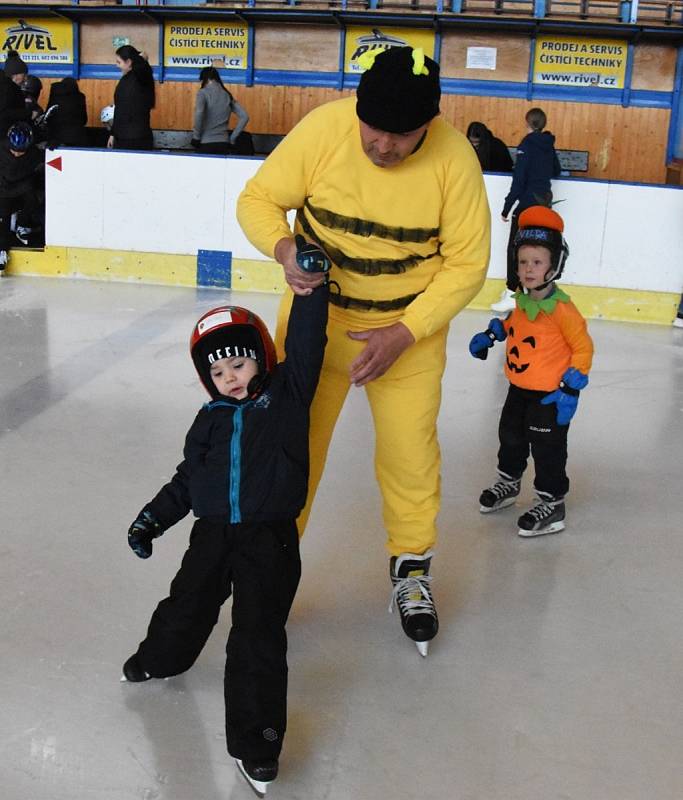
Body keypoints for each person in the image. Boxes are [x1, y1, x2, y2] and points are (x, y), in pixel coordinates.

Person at [237, 46, 491, 657]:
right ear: (358, 107)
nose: (384, 145)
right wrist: (282, 250)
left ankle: (410, 573)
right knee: (288, 455)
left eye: (402, 135)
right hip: (312, 328)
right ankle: (271, 573)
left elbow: (468, 265)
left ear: (430, 122)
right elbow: (258, 199)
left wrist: (404, 332)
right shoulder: (325, 129)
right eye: (374, 127)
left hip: (408, 337)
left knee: (410, 457)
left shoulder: (455, 161)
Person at [121, 251, 330, 797]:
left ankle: (257, 744)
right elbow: (187, 482)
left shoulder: (287, 396)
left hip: (270, 540)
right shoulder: (207, 423)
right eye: (216, 371)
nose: (229, 377)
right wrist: (150, 521)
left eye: (238, 364)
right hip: (211, 536)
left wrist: (311, 288)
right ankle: (158, 658)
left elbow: (308, 343)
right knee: (186, 602)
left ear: (262, 358)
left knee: (257, 636)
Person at [469, 206, 593, 536]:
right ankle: (508, 483)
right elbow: (515, 325)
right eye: (523, 262)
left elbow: (583, 348)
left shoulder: (563, 310)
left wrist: (570, 388)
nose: (528, 270)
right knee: (510, 438)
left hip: (550, 395)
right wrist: (492, 334)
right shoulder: (523, 301)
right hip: (519, 388)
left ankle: (552, 503)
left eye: (536, 263)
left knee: (547, 449)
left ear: (555, 265)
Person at [493, 107, 561, 314]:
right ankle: (531, 293)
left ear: (527, 122)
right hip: (543, 204)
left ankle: (512, 292)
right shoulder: (549, 146)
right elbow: (556, 170)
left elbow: (518, 181)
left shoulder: (526, 146)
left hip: (526, 207)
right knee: (536, 250)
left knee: (515, 248)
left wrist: (506, 207)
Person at [0, 121, 45, 274]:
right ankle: (2, 251)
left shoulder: (33, 153)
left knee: (33, 197)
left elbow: (43, 153)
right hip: (3, 189)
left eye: (21, 152)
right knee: (4, 217)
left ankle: (21, 223)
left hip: (23, 187)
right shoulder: (2, 150)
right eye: (14, 151)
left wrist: (53, 144)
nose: (17, 154)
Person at [191, 66, 249, 155]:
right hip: (224, 143)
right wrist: (232, 138)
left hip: (205, 143)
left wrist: (196, 137)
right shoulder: (227, 94)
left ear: (205, 79)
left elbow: (199, 113)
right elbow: (244, 116)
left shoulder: (202, 93)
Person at [108, 45, 155, 151]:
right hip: (125, 136)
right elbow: (119, 109)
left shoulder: (141, 78)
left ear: (129, 62)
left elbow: (143, 70)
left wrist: (142, 59)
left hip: (135, 139)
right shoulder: (127, 80)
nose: (117, 65)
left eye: (119, 62)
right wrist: (113, 134)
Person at [45, 77, 88, 148]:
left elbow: (48, 116)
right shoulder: (80, 97)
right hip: (76, 137)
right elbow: (84, 119)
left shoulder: (55, 96)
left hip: (55, 138)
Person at [0, 51, 31, 138]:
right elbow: (5, 113)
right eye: (24, 75)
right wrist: (28, 113)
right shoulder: (9, 89)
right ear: (16, 75)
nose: (25, 78)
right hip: (4, 134)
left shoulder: (6, 86)